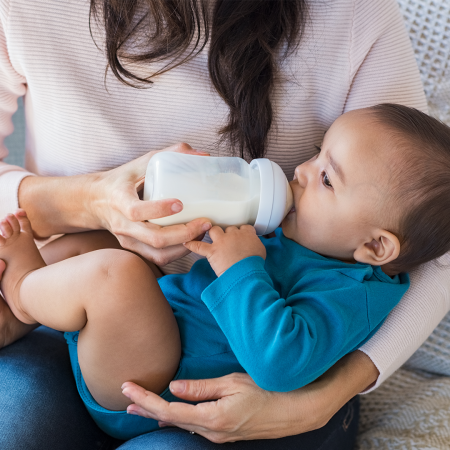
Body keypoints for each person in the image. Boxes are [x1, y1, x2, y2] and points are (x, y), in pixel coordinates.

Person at [1, 1, 449, 449]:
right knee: (95, 245)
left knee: (114, 276)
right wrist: (84, 201)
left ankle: (22, 290)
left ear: (375, 247)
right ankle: (19, 312)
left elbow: (281, 364)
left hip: (169, 391)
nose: (300, 171)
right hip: (146, 342)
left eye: (327, 178)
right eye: (314, 152)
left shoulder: (350, 291)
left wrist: (242, 272)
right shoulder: (314, 242)